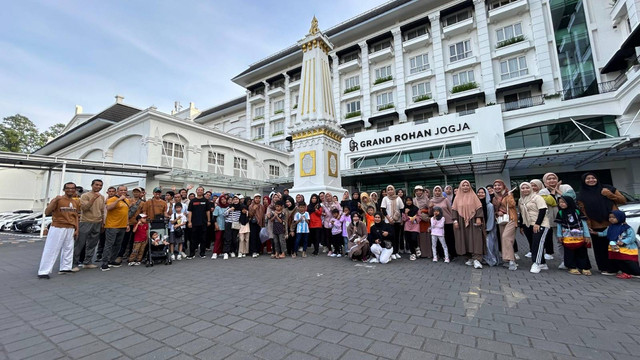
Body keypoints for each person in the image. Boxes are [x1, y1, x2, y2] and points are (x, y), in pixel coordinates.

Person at [577, 172, 626, 275]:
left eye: (593, 178)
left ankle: (621, 267)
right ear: (583, 181)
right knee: (600, 249)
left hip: (613, 224)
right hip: (596, 226)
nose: (591, 180)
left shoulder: (608, 188)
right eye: (588, 178)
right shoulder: (581, 194)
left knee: (616, 247)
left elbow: (623, 200)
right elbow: (583, 212)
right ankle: (605, 268)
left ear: (597, 178)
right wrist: (588, 227)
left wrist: (609, 194)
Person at [37, 182, 80, 279]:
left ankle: (65, 267)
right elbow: (47, 211)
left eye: (72, 188)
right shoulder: (58, 199)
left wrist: (77, 229)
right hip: (58, 227)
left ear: (75, 190)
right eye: (68, 188)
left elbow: (76, 216)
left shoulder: (75, 202)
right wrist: (55, 200)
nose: (70, 190)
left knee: (68, 248)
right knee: (51, 248)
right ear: (64, 189)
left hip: (70, 227)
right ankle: (44, 271)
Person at [543, 172, 575, 269]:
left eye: (554, 178)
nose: (552, 180)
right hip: (555, 220)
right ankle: (564, 261)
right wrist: (553, 191)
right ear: (545, 181)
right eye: (549, 179)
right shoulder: (543, 191)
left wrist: (557, 189)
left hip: (571, 219)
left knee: (573, 239)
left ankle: (575, 260)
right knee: (560, 241)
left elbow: (571, 199)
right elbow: (550, 201)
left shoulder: (566, 187)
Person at [593, 210, 639, 279]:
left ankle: (636, 273)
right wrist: (596, 233)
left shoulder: (627, 228)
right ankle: (622, 271)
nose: (611, 219)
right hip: (614, 246)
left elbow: (632, 237)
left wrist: (623, 241)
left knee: (628, 260)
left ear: (620, 217)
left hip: (627, 248)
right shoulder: (610, 227)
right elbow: (605, 233)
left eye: (614, 217)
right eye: (610, 217)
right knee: (617, 259)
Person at [452, 180, 485, 269]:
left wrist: (478, 217)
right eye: (463, 185)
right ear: (460, 187)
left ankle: (477, 259)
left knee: (476, 239)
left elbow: (479, 207)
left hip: (473, 220)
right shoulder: (457, 197)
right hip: (461, 221)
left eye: (467, 185)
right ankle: (469, 258)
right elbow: (454, 210)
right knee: (465, 239)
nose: (465, 187)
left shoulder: (474, 196)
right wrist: (455, 221)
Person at [518, 182, 549, 274]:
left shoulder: (537, 197)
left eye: (527, 187)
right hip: (527, 224)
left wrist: (537, 224)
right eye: (522, 188)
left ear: (531, 188)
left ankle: (536, 263)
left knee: (538, 243)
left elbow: (543, 210)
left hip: (540, 224)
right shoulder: (521, 200)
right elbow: (521, 213)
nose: (525, 190)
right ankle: (543, 263)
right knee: (533, 244)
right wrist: (521, 226)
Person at [555, 196, 591, 275]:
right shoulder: (560, 213)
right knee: (569, 252)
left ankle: (585, 267)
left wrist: (587, 235)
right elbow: (559, 225)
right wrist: (559, 235)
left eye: (564, 202)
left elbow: (584, 224)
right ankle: (572, 267)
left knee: (582, 252)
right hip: (567, 236)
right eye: (560, 202)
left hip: (579, 235)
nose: (562, 204)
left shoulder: (577, 211)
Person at [73, 179, 104, 271]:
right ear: (92, 185)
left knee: (92, 244)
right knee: (80, 243)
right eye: (96, 185)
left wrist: (103, 222)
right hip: (85, 221)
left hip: (97, 222)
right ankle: (73, 263)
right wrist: (93, 198)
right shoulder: (85, 196)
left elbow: (102, 210)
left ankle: (87, 262)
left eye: (100, 185)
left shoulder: (102, 197)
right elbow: (84, 208)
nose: (98, 187)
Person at [102, 185, 131, 271]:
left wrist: (127, 224)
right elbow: (108, 208)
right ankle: (104, 262)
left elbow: (126, 213)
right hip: (112, 226)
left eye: (125, 190)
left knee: (117, 245)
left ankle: (112, 260)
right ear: (117, 191)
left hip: (122, 225)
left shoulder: (127, 200)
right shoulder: (112, 199)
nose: (123, 192)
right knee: (109, 244)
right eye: (121, 190)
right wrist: (118, 199)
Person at [492, 179, 518, 271]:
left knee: (506, 237)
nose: (497, 187)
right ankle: (507, 259)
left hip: (511, 218)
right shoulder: (495, 198)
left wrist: (510, 196)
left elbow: (512, 205)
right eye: (495, 186)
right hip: (501, 220)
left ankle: (511, 261)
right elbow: (494, 209)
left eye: (499, 185)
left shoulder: (508, 195)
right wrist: (497, 212)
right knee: (505, 239)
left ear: (503, 186)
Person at [530, 179, 556, 260]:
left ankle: (549, 252)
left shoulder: (543, 192)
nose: (533, 187)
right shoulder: (528, 194)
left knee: (548, 235)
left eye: (535, 185)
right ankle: (536, 251)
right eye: (531, 185)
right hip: (533, 219)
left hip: (545, 218)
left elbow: (552, 202)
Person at [429, 186, 454, 259]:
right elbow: (430, 213)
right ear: (433, 192)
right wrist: (430, 207)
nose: (437, 192)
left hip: (447, 222)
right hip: (437, 223)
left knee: (448, 238)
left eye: (439, 191)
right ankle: (441, 254)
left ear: (441, 192)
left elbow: (450, 210)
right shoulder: (431, 201)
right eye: (436, 191)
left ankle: (450, 254)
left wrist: (454, 219)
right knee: (439, 240)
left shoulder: (445, 200)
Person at [380, 185, 404, 260]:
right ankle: (392, 252)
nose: (390, 191)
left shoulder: (398, 198)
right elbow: (383, 210)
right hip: (388, 221)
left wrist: (400, 219)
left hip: (397, 220)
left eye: (391, 189)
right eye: (389, 190)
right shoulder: (385, 198)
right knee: (391, 237)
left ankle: (396, 252)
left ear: (394, 190)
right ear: (387, 191)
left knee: (397, 237)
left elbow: (401, 209)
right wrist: (389, 219)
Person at [187, 187, 211, 259]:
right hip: (194, 223)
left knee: (203, 239)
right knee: (193, 239)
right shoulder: (192, 201)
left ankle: (202, 253)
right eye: (198, 190)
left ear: (203, 192)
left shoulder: (206, 201)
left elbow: (208, 211)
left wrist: (209, 220)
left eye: (201, 190)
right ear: (196, 191)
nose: (200, 191)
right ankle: (192, 254)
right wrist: (189, 222)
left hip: (203, 223)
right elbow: (190, 212)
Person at [478, 187, 498, 267]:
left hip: (489, 228)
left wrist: (488, 229)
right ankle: (485, 259)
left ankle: (492, 260)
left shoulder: (489, 205)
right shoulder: (478, 204)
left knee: (489, 244)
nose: (480, 194)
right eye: (479, 192)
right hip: (481, 228)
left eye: (483, 192)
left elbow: (490, 218)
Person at [402, 197, 421, 261]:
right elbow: (404, 219)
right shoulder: (404, 209)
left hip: (415, 225)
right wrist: (406, 213)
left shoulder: (416, 209)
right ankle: (413, 253)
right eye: (407, 201)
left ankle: (416, 247)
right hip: (407, 226)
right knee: (409, 240)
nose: (408, 202)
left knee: (413, 238)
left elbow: (419, 216)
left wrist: (415, 219)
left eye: (410, 200)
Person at [248, 194, 265, 258]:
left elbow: (263, 216)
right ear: (254, 199)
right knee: (253, 237)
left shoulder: (261, 206)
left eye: (259, 198)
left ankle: (258, 250)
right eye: (256, 198)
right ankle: (253, 251)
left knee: (258, 237)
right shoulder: (251, 206)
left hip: (259, 224)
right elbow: (250, 215)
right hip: (253, 223)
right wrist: (253, 209)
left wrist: (263, 224)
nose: (257, 199)